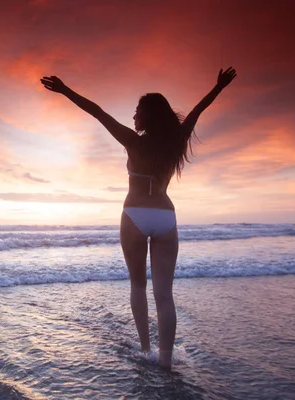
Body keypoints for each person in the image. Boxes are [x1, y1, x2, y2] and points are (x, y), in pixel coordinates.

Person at [40, 67, 237, 368]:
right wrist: (218, 86)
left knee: (137, 286)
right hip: (166, 216)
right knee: (165, 296)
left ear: (148, 116)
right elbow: (198, 109)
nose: (133, 117)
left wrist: (65, 90)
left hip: (134, 214)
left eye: (136, 112)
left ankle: (147, 351)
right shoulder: (177, 140)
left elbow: (97, 112)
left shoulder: (132, 140)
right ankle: (167, 361)